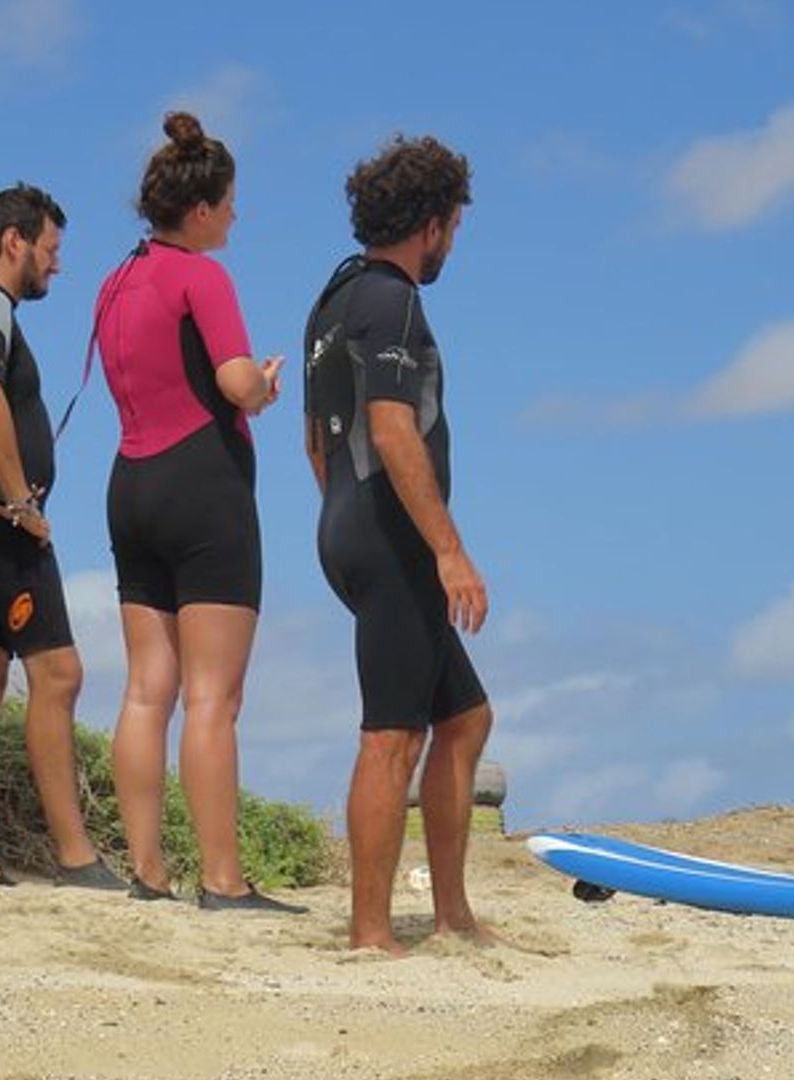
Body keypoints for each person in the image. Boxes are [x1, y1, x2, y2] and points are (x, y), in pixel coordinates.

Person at [93, 112, 300, 912]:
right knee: (215, 696)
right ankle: (223, 881)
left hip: (129, 482)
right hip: (202, 485)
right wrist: (267, 385)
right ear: (204, 208)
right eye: (233, 203)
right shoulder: (201, 276)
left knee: (148, 689)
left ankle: (148, 873)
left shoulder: (116, 281)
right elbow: (235, 381)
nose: (238, 217)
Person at [304, 135, 493, 953]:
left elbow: (315, 440)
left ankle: (452, 916)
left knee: (466, 719)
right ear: (430, 223)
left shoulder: (332, 300)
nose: (453, 241)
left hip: (351, 525)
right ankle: (370, 932)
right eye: (453, 224)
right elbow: (391, 428)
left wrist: (348, 520)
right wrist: (446, 548)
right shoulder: (393, 300)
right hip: (390, 536)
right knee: (391, 736)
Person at [0, 183, 124, 891]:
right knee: (59, 672)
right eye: (52, 248)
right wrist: (18, 499)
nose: (57, 266)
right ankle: (74, 856)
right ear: (16, 242)